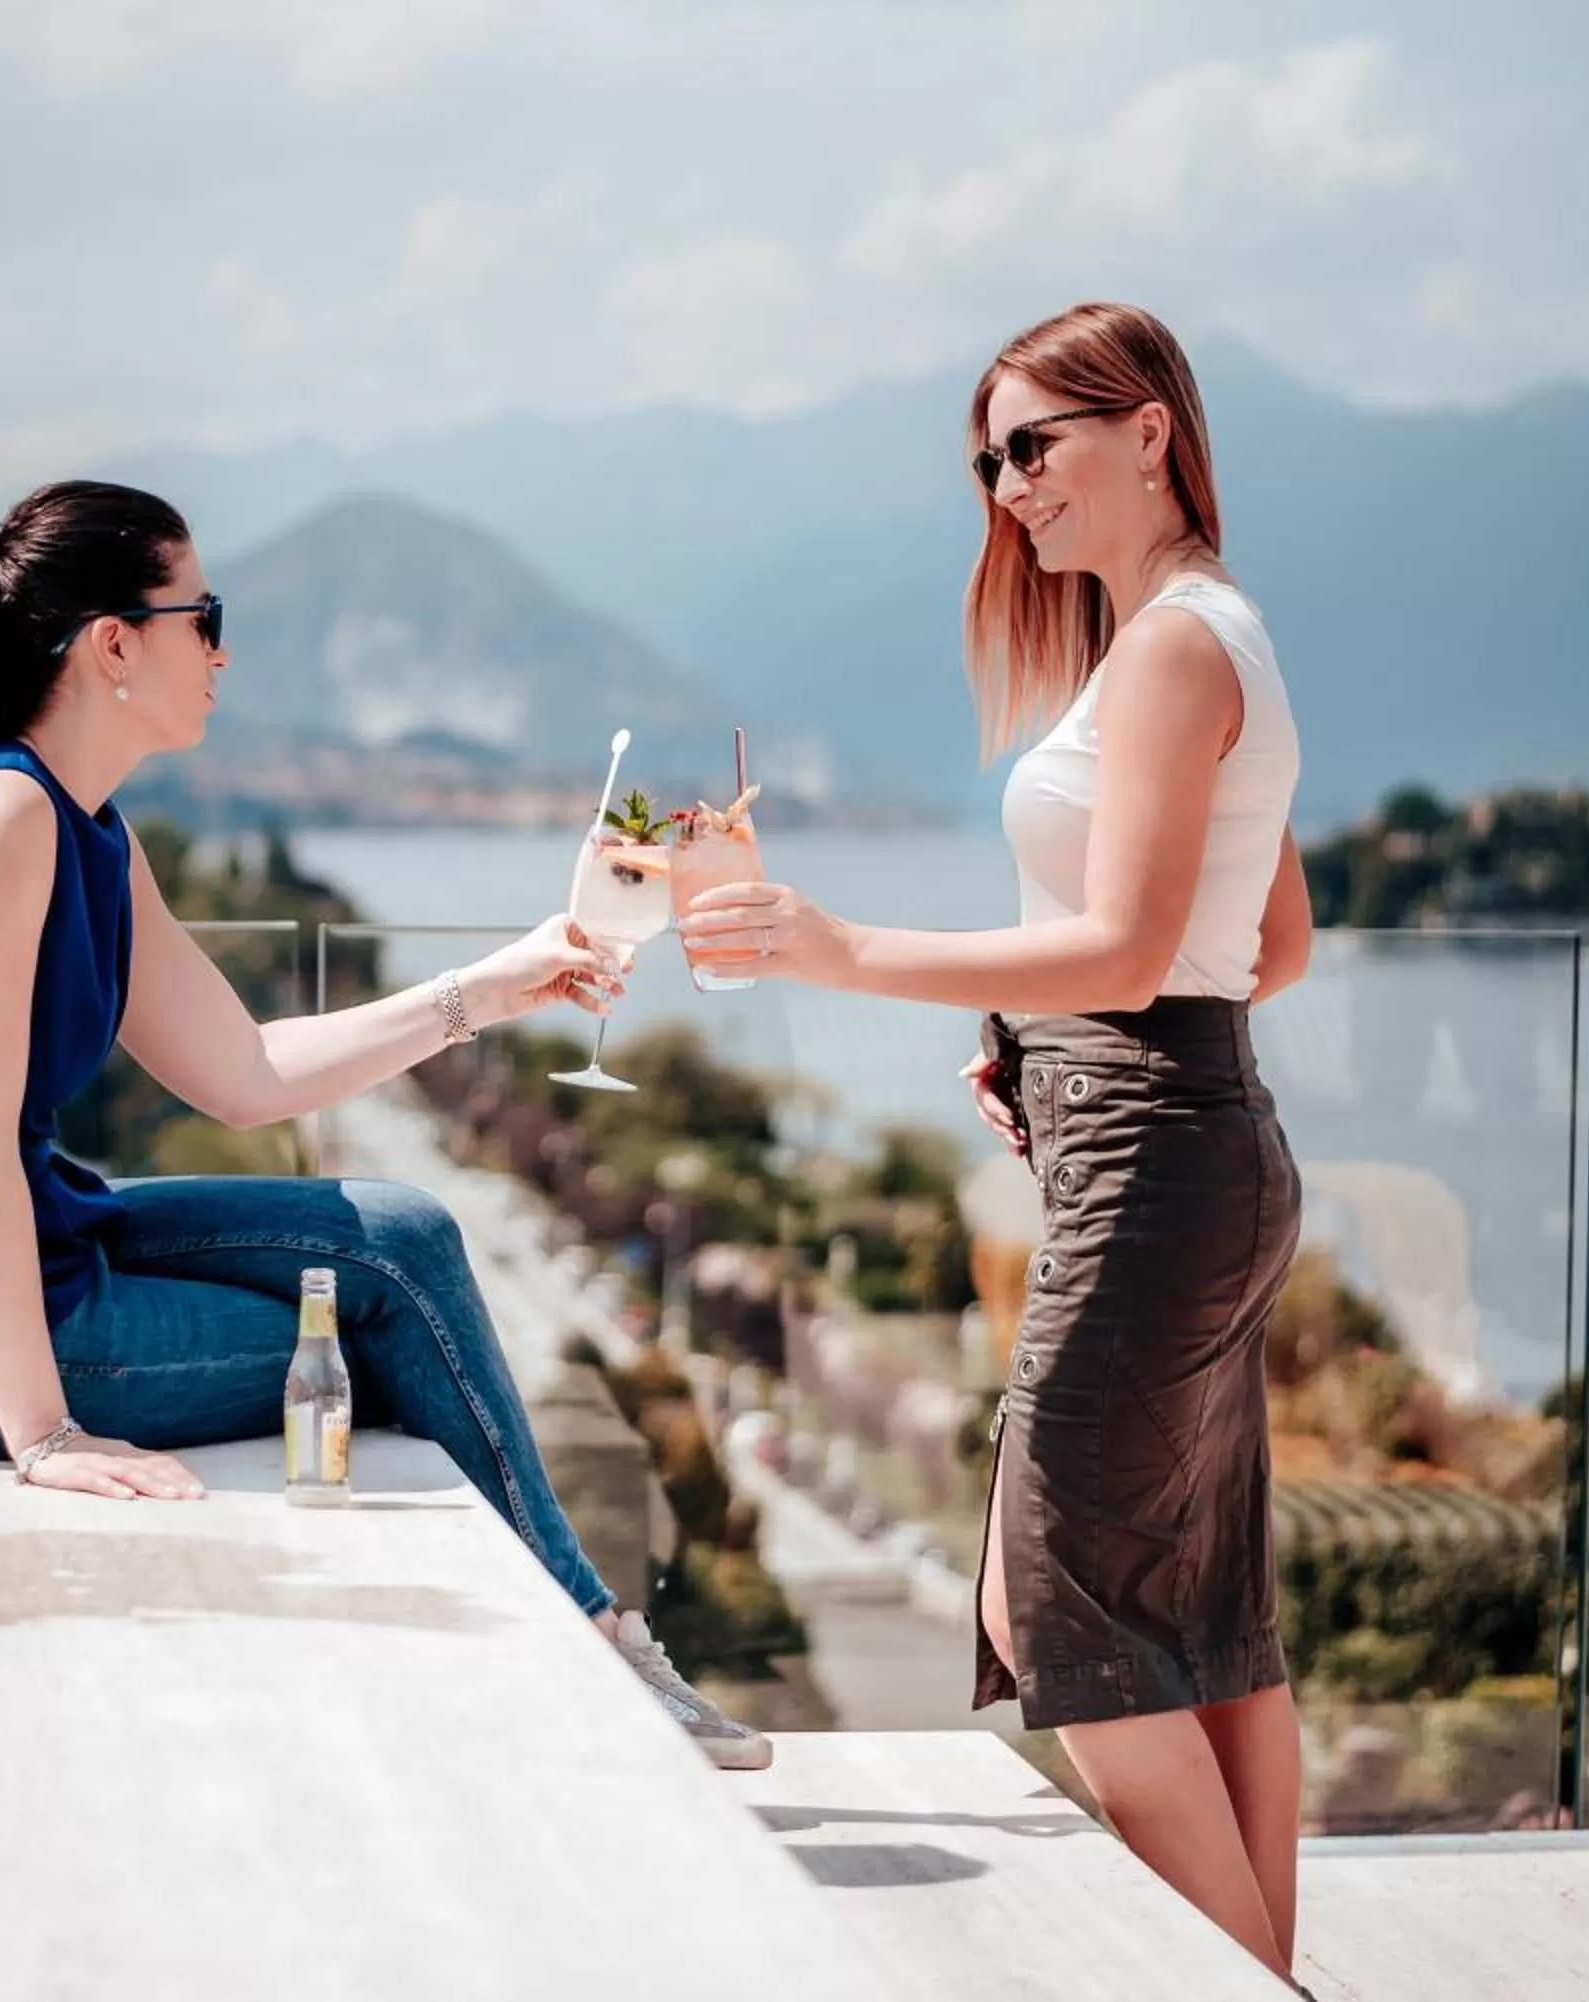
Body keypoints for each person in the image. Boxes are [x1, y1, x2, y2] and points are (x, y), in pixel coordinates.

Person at [0, 479, 768, 1769]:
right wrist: (44, 1436)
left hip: (27, 1259)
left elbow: (245, 1072)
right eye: (201, 614)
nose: (223, 650)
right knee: (381, 1329)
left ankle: (589, 1650)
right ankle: (592, 1658)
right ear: (113, 643)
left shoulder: (86, 828)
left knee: (403, 1235)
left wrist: (491, 989)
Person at [679, 305, 1314, 1965]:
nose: (1009, 484)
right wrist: (1038, 1040)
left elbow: (1128, 945)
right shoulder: (1199, 634)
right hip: (1192, 1134)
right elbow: (1271, 941)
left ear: (1151, 430)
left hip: (1159, 1165)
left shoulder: (1176, 647)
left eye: (1036, 444)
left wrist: (846, 951)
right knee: (1203, 1621)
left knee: (1056, 1608)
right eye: (990, 459)